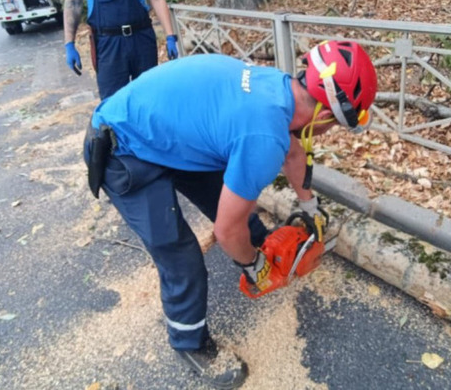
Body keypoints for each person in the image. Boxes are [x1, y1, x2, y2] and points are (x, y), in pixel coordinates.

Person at [83, 40, 377, 388]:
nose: (330, 131)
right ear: (326, 115)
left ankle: (261, 250)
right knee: (182, 256)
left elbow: (295, 154)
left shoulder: (279, 88)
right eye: (337, 125)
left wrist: (310, 208)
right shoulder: (264, 138)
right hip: (124, 149)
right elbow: (225, 231)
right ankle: (190, 341)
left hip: (170, 136)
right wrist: (253, 266)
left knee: (237, 211)